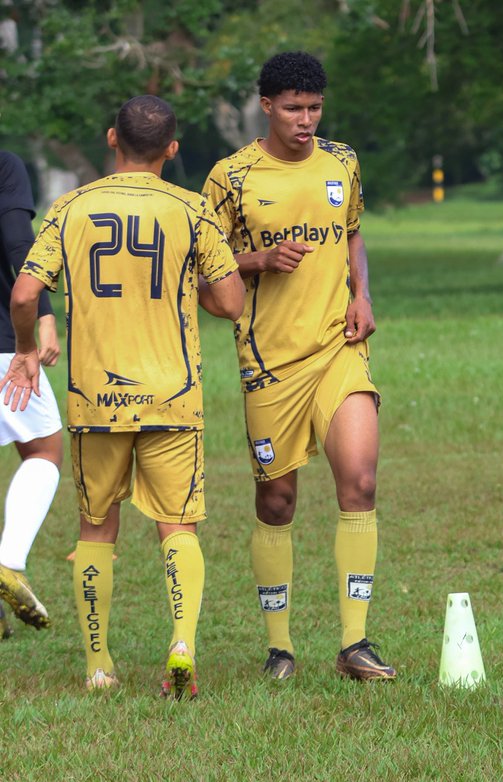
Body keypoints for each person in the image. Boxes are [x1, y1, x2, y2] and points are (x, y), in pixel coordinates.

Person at [0, 95, 244, 695]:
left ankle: (98, 666)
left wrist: (27, 349)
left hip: (95, 398)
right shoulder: (191, 209)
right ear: (172, 148)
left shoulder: (72, 207)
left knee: (95, 528)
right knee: (178, 526)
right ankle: (182, 642)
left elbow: (25, 293)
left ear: (112, 138)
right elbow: (232, 302)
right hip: (172, 395)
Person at [202, 52, 394, 682]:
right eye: (292, 108)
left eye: (314, 108)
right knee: (278, 501)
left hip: (338, 350)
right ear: (266, 106)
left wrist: (362, 295)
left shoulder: (343, 162)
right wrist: (257, 261)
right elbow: (207, 273)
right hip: (268, 363)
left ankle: (355, 643)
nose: (306, 120)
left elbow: (354, 234)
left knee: (360, 482)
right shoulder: (230, 178)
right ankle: (280, 647)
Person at [0, 151, 62, 636]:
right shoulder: (5, 164)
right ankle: (9, 562)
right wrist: (40, 321)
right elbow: (20, 244)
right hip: (4, 346)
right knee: (44, 449)